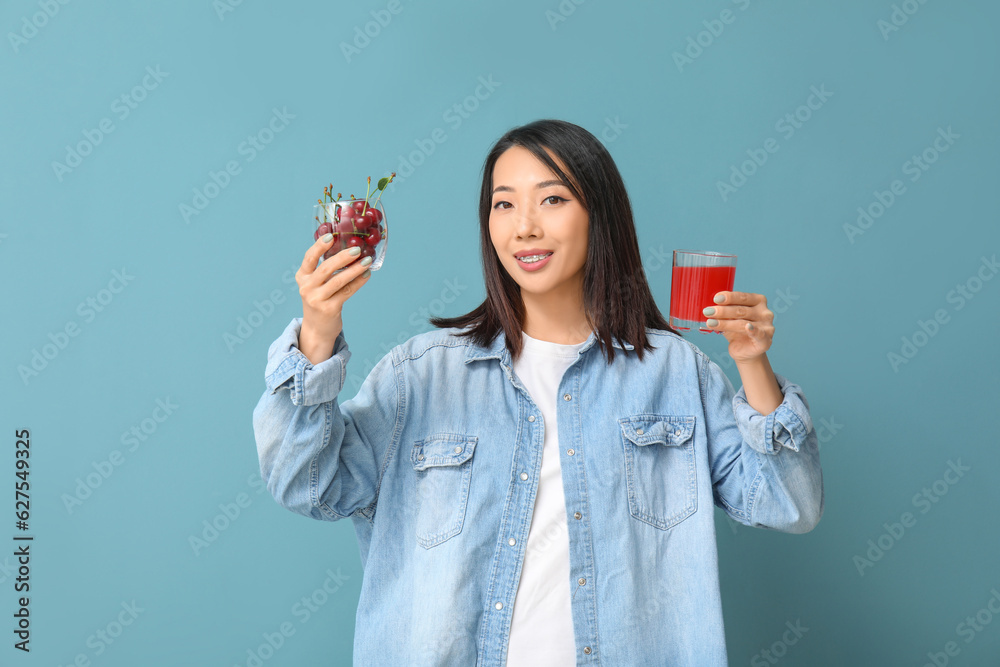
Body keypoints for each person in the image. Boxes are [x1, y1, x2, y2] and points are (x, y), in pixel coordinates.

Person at [252, 118, 824, 666]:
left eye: (552, 199)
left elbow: (789, 504)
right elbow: (306, 483)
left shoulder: (675, 373)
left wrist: (752, 363)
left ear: (600, 216)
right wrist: (317, 331)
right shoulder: (420, 376)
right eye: (504, 203)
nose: (524, 225)